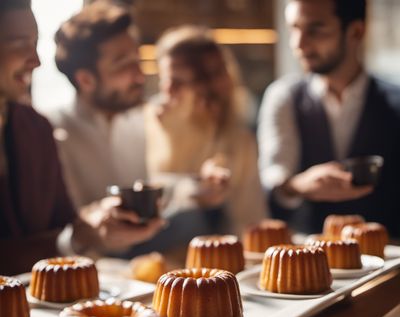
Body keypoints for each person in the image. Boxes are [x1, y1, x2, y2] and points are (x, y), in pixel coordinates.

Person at [49, 2, 229, 258]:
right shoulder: (52, 132)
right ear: (86, 80)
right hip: (86, 261)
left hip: (143, 252)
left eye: (137, 58)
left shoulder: (140, 117)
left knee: (195, 221)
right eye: (123, 64)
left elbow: (152, 189)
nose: (140, 75)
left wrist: (198, 187)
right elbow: (61, 229)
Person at [0, 0, 164, 275]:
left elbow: (65, 230)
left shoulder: (36, 128)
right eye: (18, 43)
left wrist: (89, 231)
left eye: (35, 43)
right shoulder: (55, 126)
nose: (36, 61)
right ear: (86, 79)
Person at [257, 0, 400, 236]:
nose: (298, 44)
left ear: (356, 31)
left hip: (389, 260)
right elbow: (273, 177)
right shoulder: (284, 97)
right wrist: (298, 186)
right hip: (304, 258)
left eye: (314, 29)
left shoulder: (394, 102)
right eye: (294, 28)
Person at [145, 25, 267, 236]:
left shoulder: (239, 141)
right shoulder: (147, 121)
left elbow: (249, 220)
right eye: (165, 79)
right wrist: (190, 188)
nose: (167, 91)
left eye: (178, 82)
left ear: (210, 86)